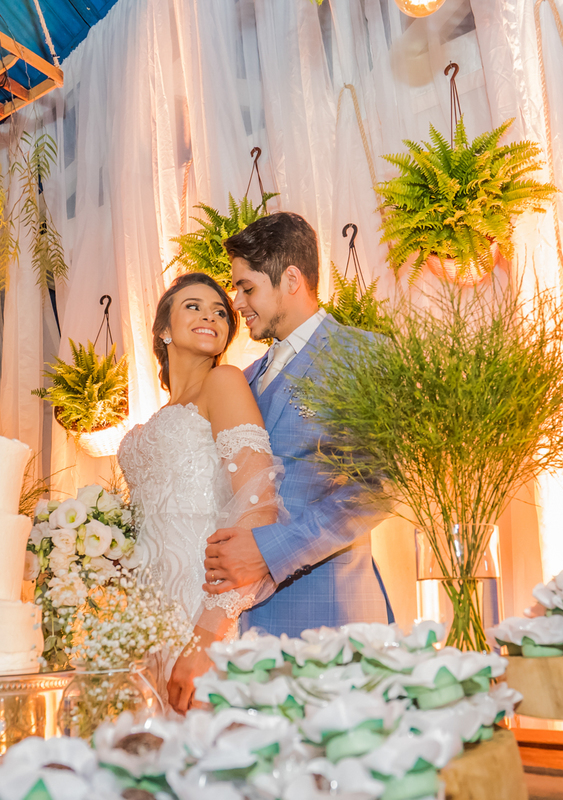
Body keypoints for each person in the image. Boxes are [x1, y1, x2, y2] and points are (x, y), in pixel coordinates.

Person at [200, 211, 393, 636]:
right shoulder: (242, 379)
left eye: (247, 287)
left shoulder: (363, 355)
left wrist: (270, 551)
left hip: (329, 617)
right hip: (242, 624)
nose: (236, 303)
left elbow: (376, 492)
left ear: (291, 279)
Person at [117, 272, 283, 715]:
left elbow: (257, 503)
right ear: (164, 330)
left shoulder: (224, 382)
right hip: (145, 619)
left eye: (219, 312)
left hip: (201, 608)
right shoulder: (153, 420)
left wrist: (207, 633)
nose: (210, 315)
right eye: (193, 306)